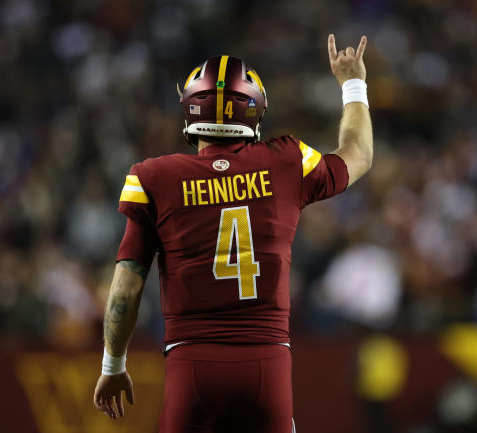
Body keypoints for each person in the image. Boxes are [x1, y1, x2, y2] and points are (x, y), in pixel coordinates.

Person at [93, 33, 373, 433]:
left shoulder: (154, 177)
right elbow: (358, 154)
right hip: (268, 364)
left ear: (189, 109)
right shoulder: (287, 161)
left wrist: (113, 365)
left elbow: (125, 290)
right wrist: (353, 82)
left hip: (191, 365)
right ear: (255, 111)